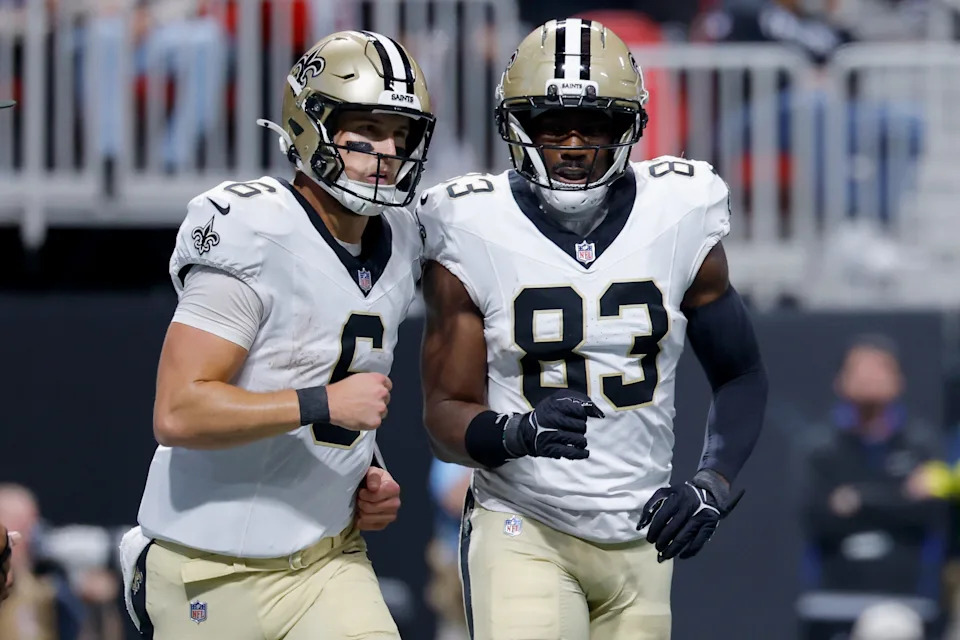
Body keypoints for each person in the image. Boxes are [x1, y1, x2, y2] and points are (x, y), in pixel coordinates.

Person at [418, 18, 768, 640]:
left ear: (628, 127)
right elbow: (444, 413)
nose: (575, 145)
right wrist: (517, 432)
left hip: (642, 534)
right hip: (523, 522)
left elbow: (741, 374)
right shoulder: (469, 222)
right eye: (553, 125)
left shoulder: (680, 211)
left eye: (596, 125)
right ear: (518, 127)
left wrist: (711, 482)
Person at [119, 29, 435, 640]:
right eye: (367, 131)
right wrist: (321, 404)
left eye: (401, 135)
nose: (388, 152)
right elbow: (179, 410)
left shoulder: (401, 243)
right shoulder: (254, 228)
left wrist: (368, 469)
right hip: (207, 568)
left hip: (327, 562)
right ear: (311, 125)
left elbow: (333, 375)